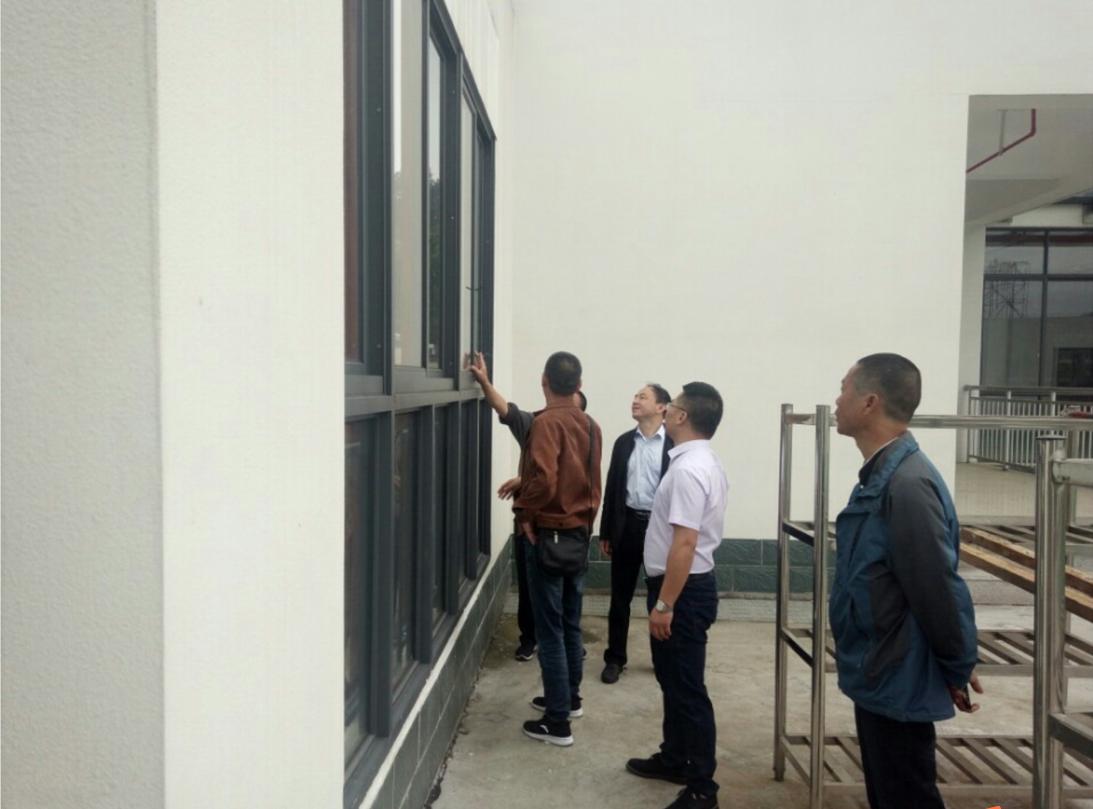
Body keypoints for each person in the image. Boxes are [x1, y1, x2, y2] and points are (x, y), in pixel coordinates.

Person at [830, 353, 981, 809]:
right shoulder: (882, 475)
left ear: (870, 402)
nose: (836, 400)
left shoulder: (907, 485)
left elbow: (936, 587)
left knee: (906, 795)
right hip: (881, 668)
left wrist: (957, 664)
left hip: (899, 672)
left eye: (844, 389)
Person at [626, 382, 728, 809]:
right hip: (680, 587)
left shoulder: (689, 469)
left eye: (673, 406)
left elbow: (685, 543)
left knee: (687, 689)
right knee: (672, 680)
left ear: (682, 416)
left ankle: (702, 788)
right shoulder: (697, 460)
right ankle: (675, 758)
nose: (665, 410)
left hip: (682, 592)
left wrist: (665, 604)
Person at [466, 351, 586, 662]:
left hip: (565, 530)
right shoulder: (536, 425)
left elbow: (568, 479)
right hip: (538, 530)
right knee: (534, 593)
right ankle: (532, 640)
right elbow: (505, 409)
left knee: (565, 605)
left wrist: (525, 492)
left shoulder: (586, 433)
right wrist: (485, 382)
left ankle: (565, 655)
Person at [515, 351, 602, 747]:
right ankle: (569, 698)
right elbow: (593, 485)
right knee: (570, 621)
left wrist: (524, 514)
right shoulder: (591, 424)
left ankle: (557, 721)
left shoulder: (545, 423)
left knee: (549, 630)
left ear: (544, 381)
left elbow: (545, 479)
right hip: (579, 535)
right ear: (579, 385)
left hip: (548, 536)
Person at [599, 383, 674, 684]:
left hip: (660, 528)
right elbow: (612, 489)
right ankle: (615, 658)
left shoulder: (673, 445)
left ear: (661, 407)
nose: (635, 400)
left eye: (643, 397)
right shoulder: (623, 443)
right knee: (620, 598)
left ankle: (662, 658)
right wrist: (606, 532)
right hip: (627, 525)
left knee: (659, 597)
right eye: (635, 396)